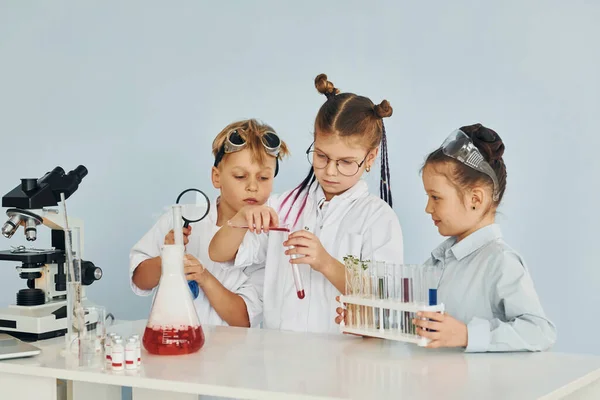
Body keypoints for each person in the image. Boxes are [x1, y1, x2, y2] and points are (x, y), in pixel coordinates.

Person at [209, 74, 403, 333]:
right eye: (321, 156)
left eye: (346, 162)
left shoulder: (378, 218)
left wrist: (325, 263)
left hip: (344, 361)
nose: (330, 171)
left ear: (371, 157)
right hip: (280, 357)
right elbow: (218, 254)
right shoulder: (282, 206)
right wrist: (241, 219)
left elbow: (385, 297)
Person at [336, 123, 556, 352]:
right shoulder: (437, 264)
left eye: (436, 197)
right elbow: (415, 326)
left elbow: (540, 331)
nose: (428, 208)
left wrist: (467, 335)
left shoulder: (501, 263)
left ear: (475, 199)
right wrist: (370, 324)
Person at [130, 119, 289, 327]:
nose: (252, 186)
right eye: (240, 176)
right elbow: (139, 280)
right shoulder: (178, 218)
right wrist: (168, 257)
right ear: (216, 177)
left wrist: (204, 278)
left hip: (230, 355)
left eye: (264, 178)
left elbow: (243, 318)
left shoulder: (267, 237)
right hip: (171, 345)